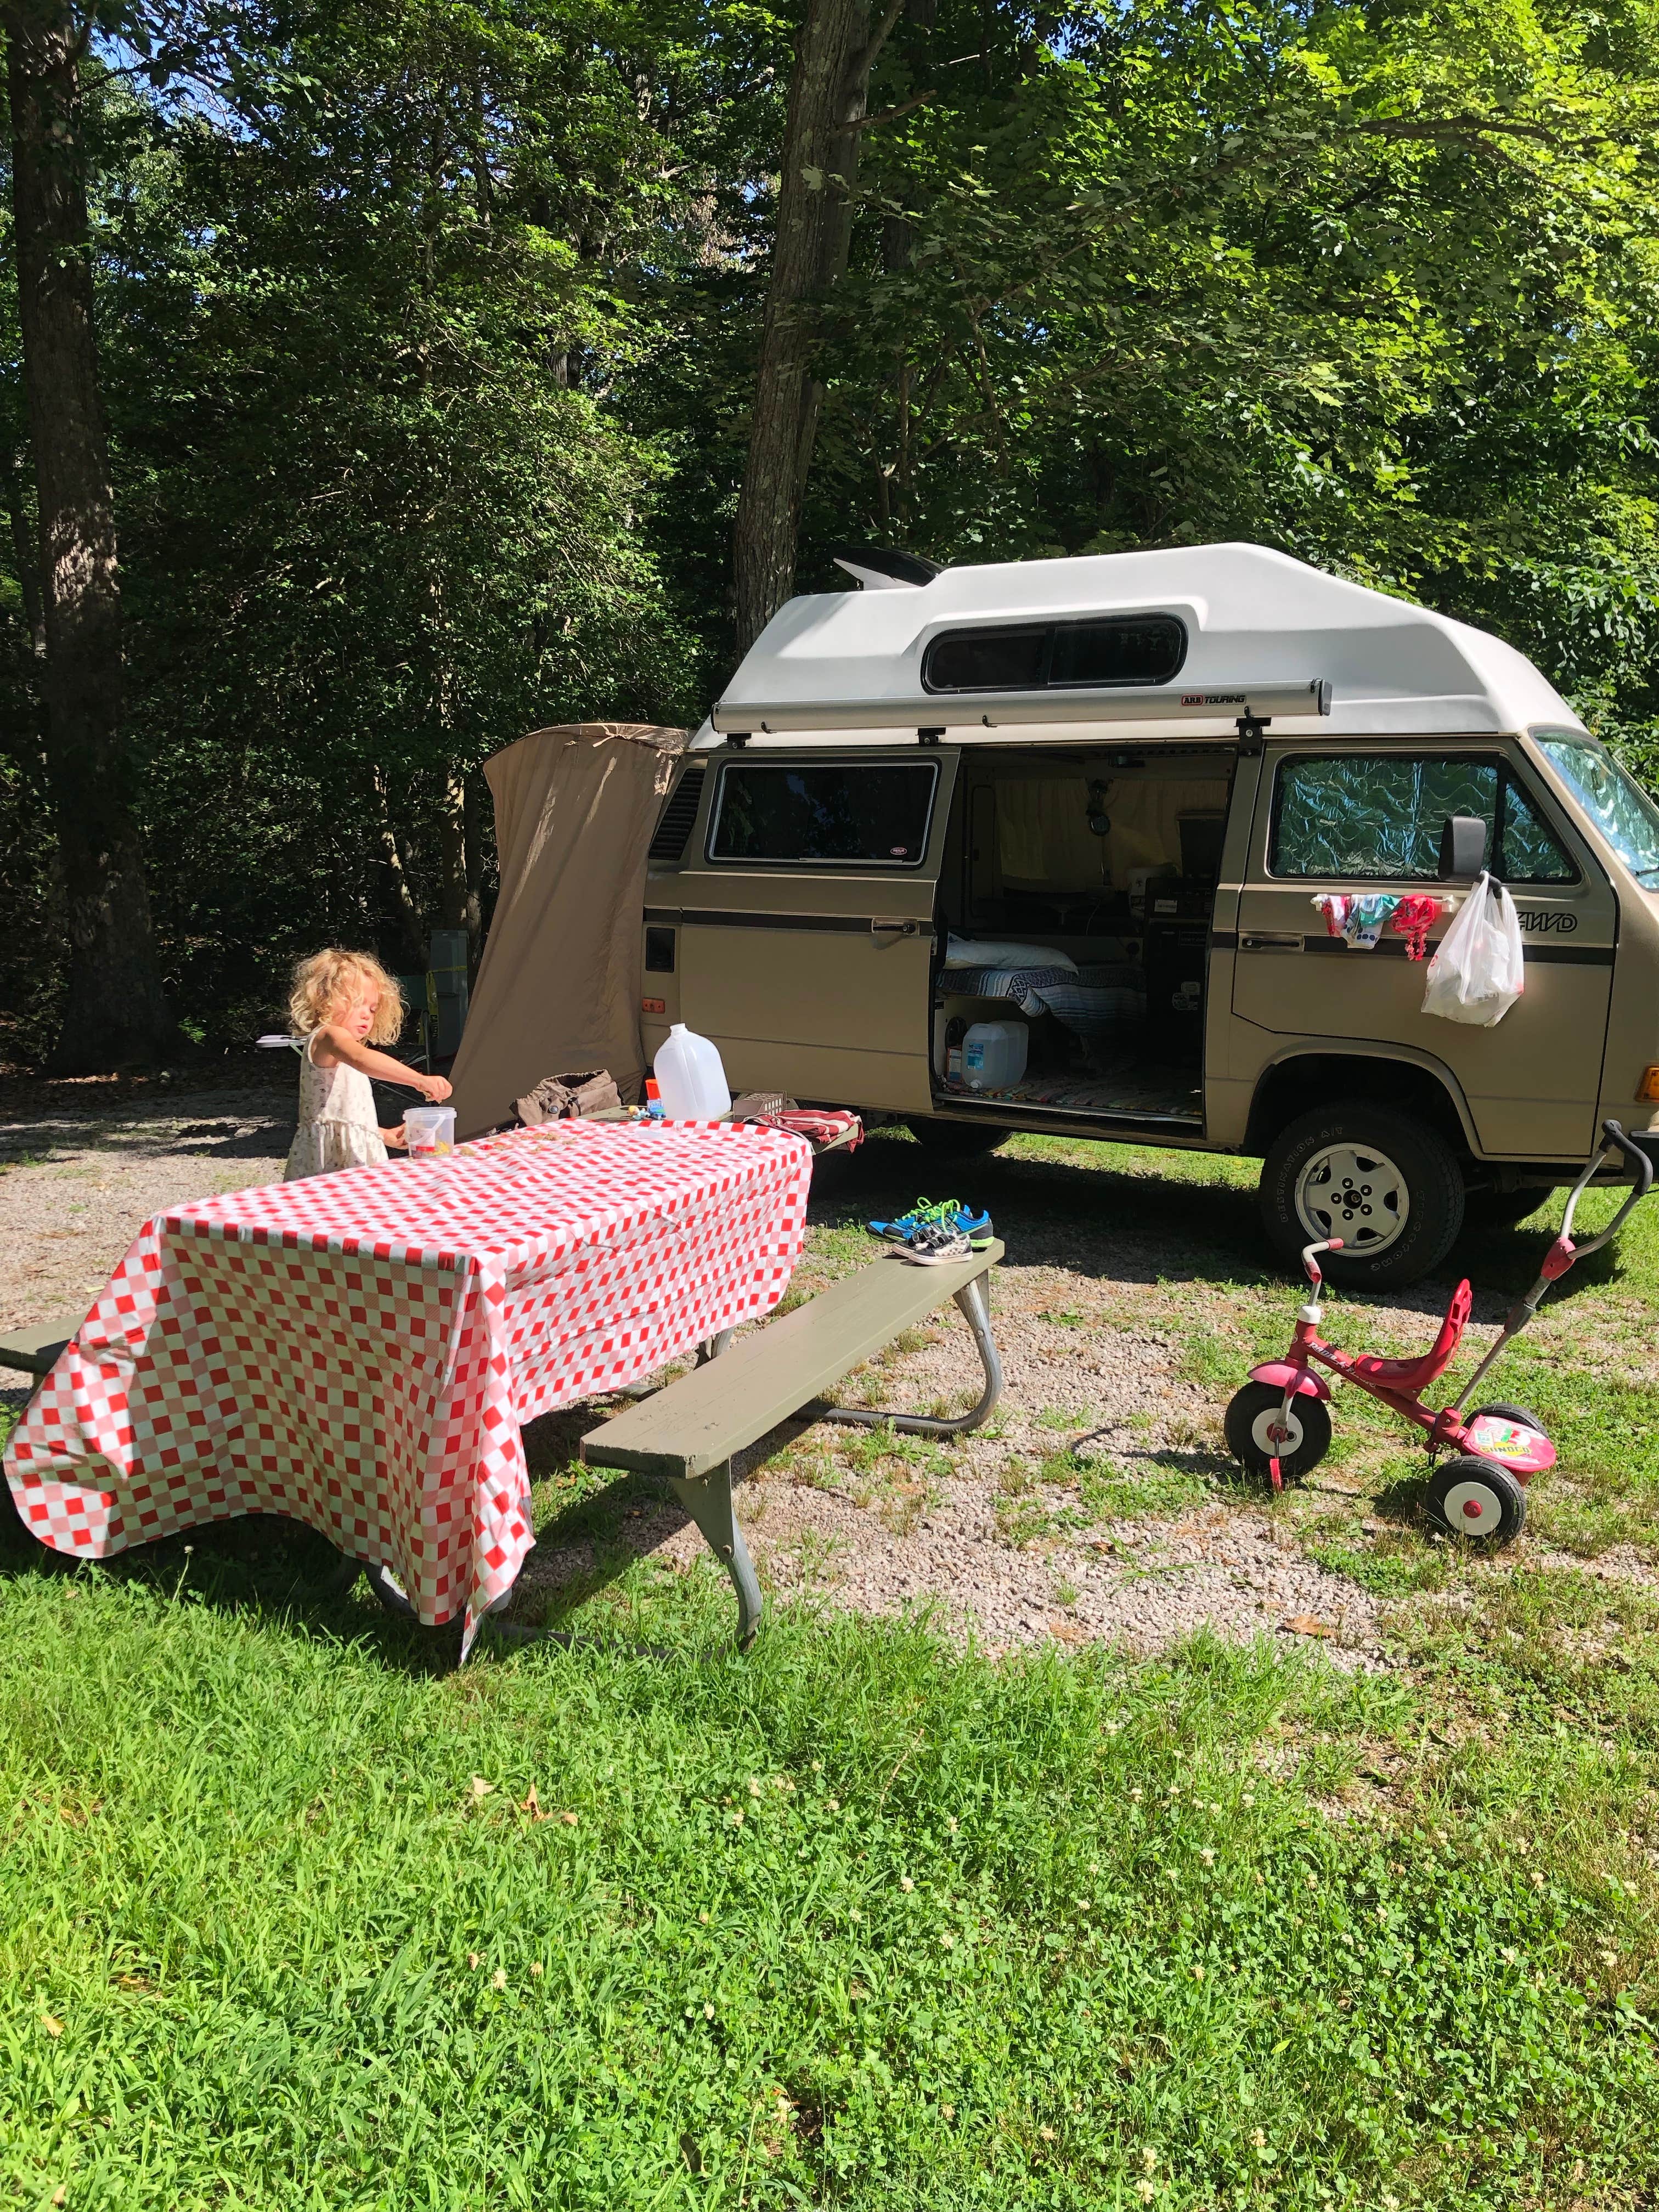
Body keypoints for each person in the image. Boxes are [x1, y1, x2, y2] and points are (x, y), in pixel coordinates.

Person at [283, 949, 452, 1181]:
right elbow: (362, 1059)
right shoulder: (329, 1036)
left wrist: (382, 1135)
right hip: (326, 1162)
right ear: (326, 1000)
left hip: (352, 1155)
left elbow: (344, 1120)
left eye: (373, 1010)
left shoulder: (345, 1050)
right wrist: (419, 1079)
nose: (366, 1015)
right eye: (359, 1004)